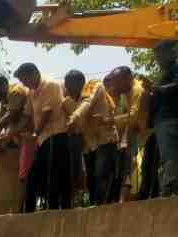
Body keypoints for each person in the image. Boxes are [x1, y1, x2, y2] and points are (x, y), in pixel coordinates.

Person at [17, 63, 72, 212]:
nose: (24, 84)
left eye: (25, 80)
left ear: (34, 73)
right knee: (37, 176)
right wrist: (10, 133)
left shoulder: (51, 85)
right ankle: (32, 211)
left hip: (57, 136)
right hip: (43, 140)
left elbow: (47, 114)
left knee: (53, 175)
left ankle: (56, 209)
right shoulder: (31, 92)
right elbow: (27, 115)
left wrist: (35, 134)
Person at [67, 74, 117, 205]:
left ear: (80, 82)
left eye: (70, 85)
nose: (67, 89)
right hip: (89, 145)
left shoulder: (93, 86)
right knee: (91, 180)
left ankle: (102, 207)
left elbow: (87, 103)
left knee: (101, 174)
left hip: (105, 140)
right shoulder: (70, 101)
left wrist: (73, 118)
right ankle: (95, 207)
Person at [105, 66, 150, 201]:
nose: (115, 85)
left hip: (149, 133)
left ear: (128, 78)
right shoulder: (125, 93)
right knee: (142, 166)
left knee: (145, 166)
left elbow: (134, 116)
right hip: (137, 135)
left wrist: (112, 120)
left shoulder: (138, 90)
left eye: (117, 81)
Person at [152, 40, 178, 197]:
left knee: (169, 155)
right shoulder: (168, 72)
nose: (158, 61)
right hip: (165, 119)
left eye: (159, 56)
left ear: (171, 54)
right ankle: (170, 186)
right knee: (169, 155)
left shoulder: (175, 68)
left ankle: (169, 187)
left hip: (170, 119)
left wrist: (157, 89)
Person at [62, 71, 90, 205]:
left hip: (88, 140)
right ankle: (71, 201)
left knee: (86, 171)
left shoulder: (88, 99)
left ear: (80, 84)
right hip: (72, 139)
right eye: (66, 82)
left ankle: (83, 198)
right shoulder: (65, 102)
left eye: (69, 82)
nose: (66, 85)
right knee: (72, 171)